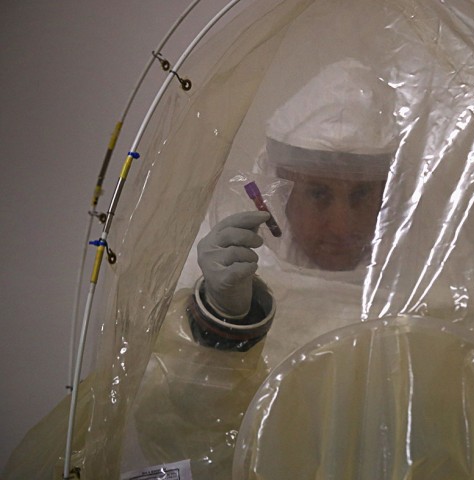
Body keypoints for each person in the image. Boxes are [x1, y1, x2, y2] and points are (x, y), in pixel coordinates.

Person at [126, 58, 400, 478]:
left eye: (363, 195)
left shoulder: (438, 280)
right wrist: (221, 324)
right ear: (276, 190)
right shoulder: (222, 269)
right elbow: (176, 441)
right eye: (319, 194)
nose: (342, 225)